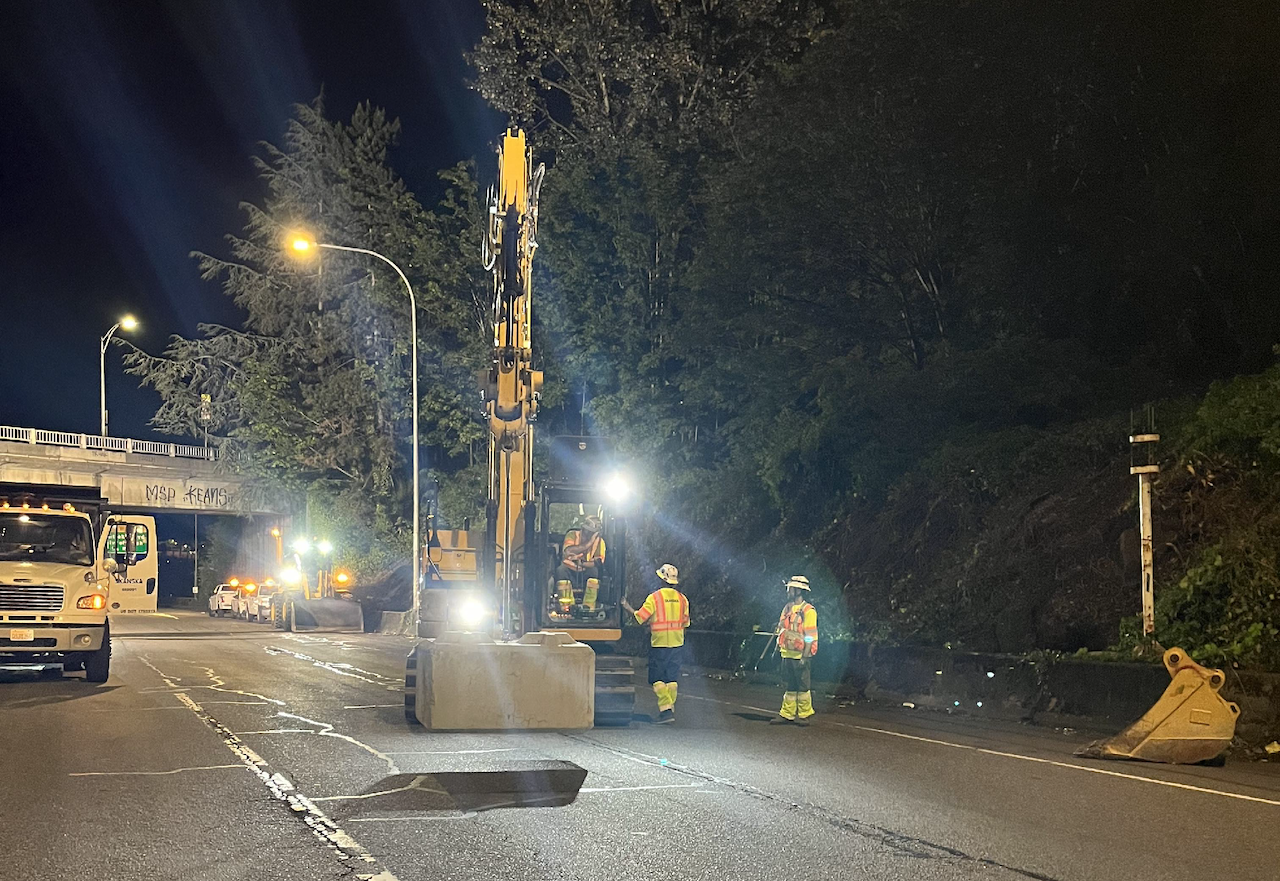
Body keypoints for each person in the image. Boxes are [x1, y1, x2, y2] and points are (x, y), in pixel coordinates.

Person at [623, 563, 690, 724]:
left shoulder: (655, 597)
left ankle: (666, 710)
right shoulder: (683, 599)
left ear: (661, 579)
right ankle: (669, 710)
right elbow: (685, 623)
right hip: (677, 643)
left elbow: (640, 617)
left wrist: (627, 607)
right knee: (671, 679)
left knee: (656, 678)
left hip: (659, 644)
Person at [771, 574, 818, 726]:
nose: (788, 591)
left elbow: (810, 636)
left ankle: (804, 715)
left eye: (790, 588)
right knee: (789, 685)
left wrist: (805, 657)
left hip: (800, 654)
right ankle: (787, 714)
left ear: (799, 590)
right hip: (787, 653)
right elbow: (782, 629)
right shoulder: (787, 609)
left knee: (803, 686)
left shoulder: (808, 611)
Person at [555, 513, 606, 614]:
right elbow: (568, 551)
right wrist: (587, 545)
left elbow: (597, 562)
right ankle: (567, 608)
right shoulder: (572, 535)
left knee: (594, 572)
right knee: (561, 571)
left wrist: (581, 563)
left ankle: (588, 608)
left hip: (586, 571)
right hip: (569, 570)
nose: (587, 534)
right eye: (587, 531)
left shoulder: (600, 542)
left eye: (591, 533)